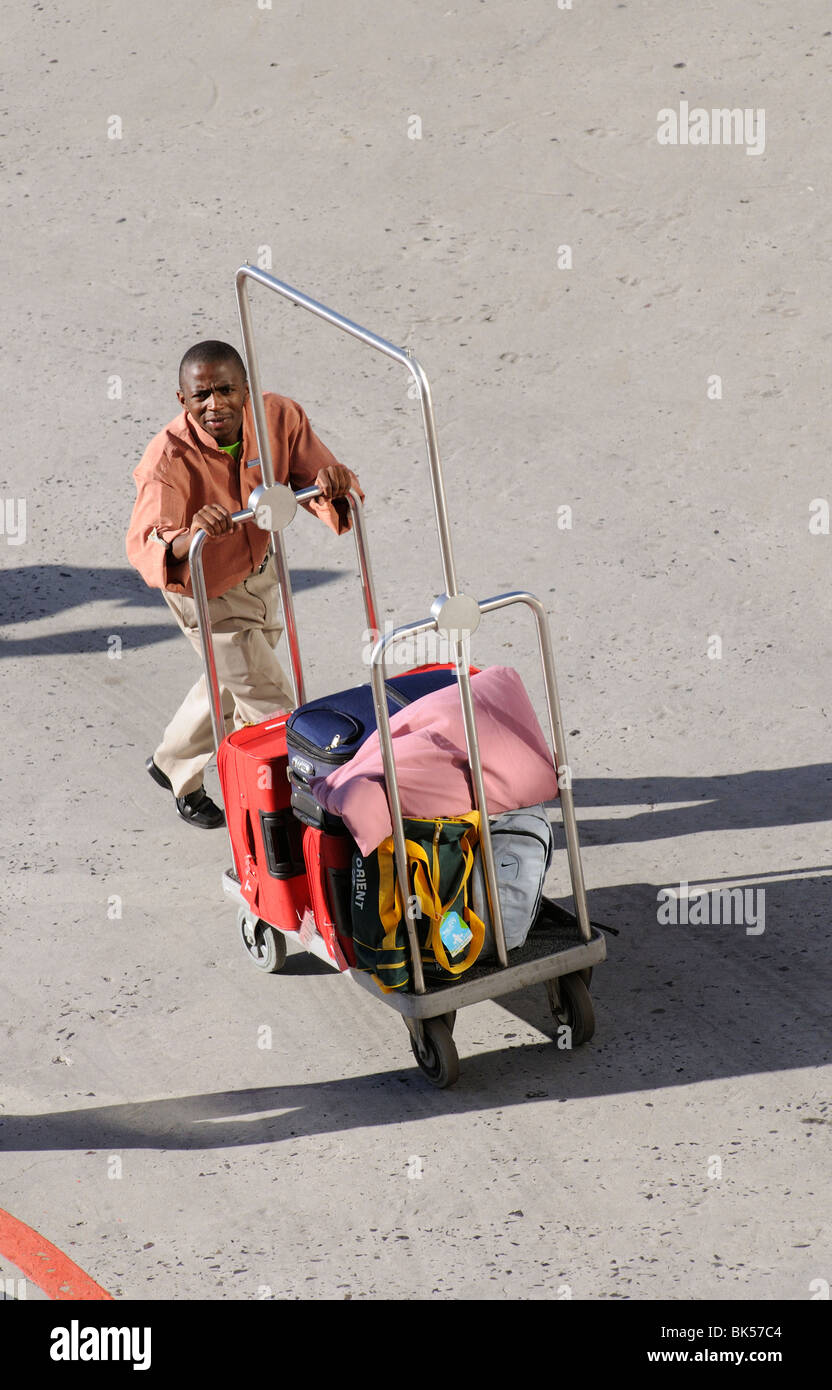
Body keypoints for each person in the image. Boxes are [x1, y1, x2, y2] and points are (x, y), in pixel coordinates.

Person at [126, 340, 361, 828]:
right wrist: (188, 535)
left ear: (246, 390)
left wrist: (332, 483)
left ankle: (172, 764)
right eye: (202, 396)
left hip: (259, 569)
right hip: (206, 593)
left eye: (226, 391)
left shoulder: (279, 417)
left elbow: (314, 476)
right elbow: (148, 540)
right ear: (183, 401)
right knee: (272, 706)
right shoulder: (166, 458)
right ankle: (296, 815)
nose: (215, 406)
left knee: (232, 680)